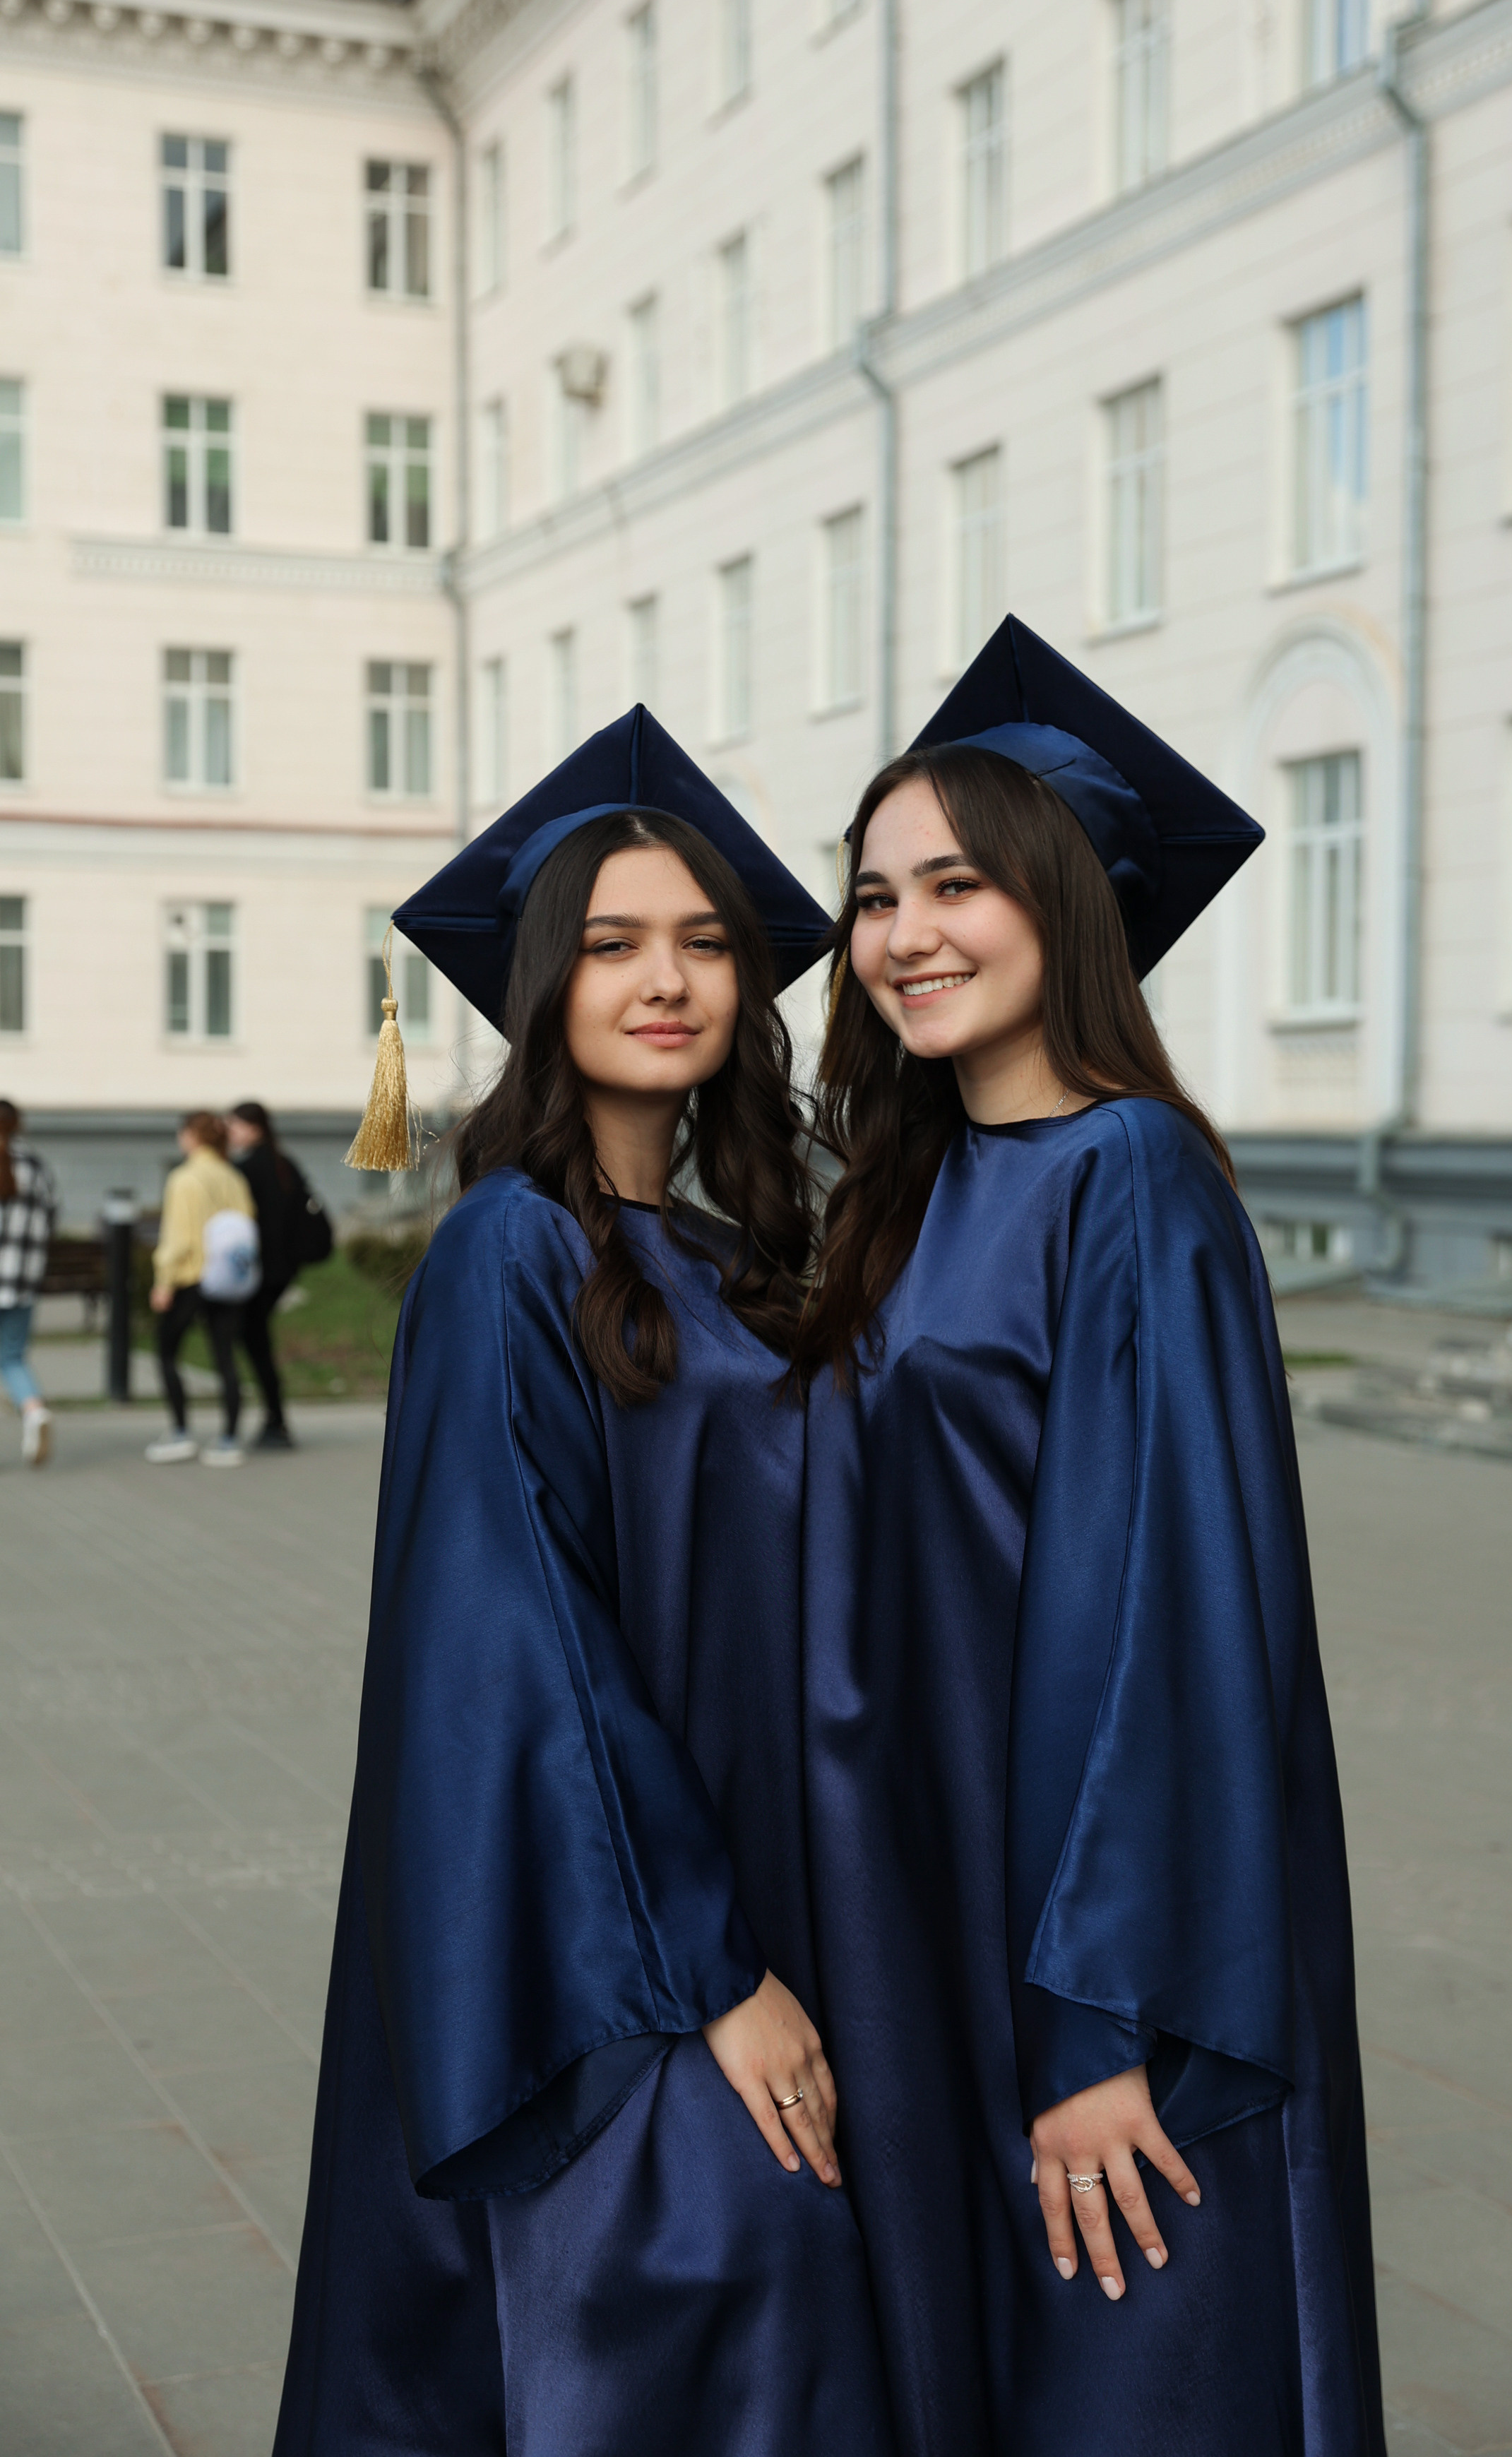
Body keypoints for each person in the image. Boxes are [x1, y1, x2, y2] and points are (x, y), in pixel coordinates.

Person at [274, 710, 893, 2457]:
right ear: (544, 983)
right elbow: (524, 1639)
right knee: (715, 2279)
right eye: (614, 943)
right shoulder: (507, 1253)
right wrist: (713, 1970)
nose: (666, 979)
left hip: (742, 1868)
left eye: (702, 941)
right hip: (602, 1930)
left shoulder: (717, 1256)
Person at [796, 619, 1385, 2453]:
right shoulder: (911, 1191)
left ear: (1065, 903)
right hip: (936, 1906)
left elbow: (1165, 1624)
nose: (905, 934)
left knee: (1130, 2379)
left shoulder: (1134, 1178)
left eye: (954, 885)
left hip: (1102, 1949)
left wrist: (1100, 2029)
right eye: (875, 897)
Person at [148, 1111, 258, 1468]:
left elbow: (178, 1237)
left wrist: (163, 1281)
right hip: (227, 1278)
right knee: (225, 1356)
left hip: (189, 1276)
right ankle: (229, 1438)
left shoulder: (184, 1178)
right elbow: (247, 1223)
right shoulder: (232, 1177)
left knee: (167, 1352)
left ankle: (181, 1432)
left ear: (192, 1136)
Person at [227, 1100, 310, 1450]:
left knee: (255, 1341)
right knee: (257, 1339)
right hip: (283, 1269)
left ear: (254, 1128)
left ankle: (276, 1421)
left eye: (235, 1126)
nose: (230, 1133)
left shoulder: (246, 1169)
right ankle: (275, 1418)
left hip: (258, 1271)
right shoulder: (283, 1164)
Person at [0, 1097, 56, 1467]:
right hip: (22, 1280)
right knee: (12, 1357)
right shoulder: (36, 1166)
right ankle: (35, 1412)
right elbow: (51, 1218)